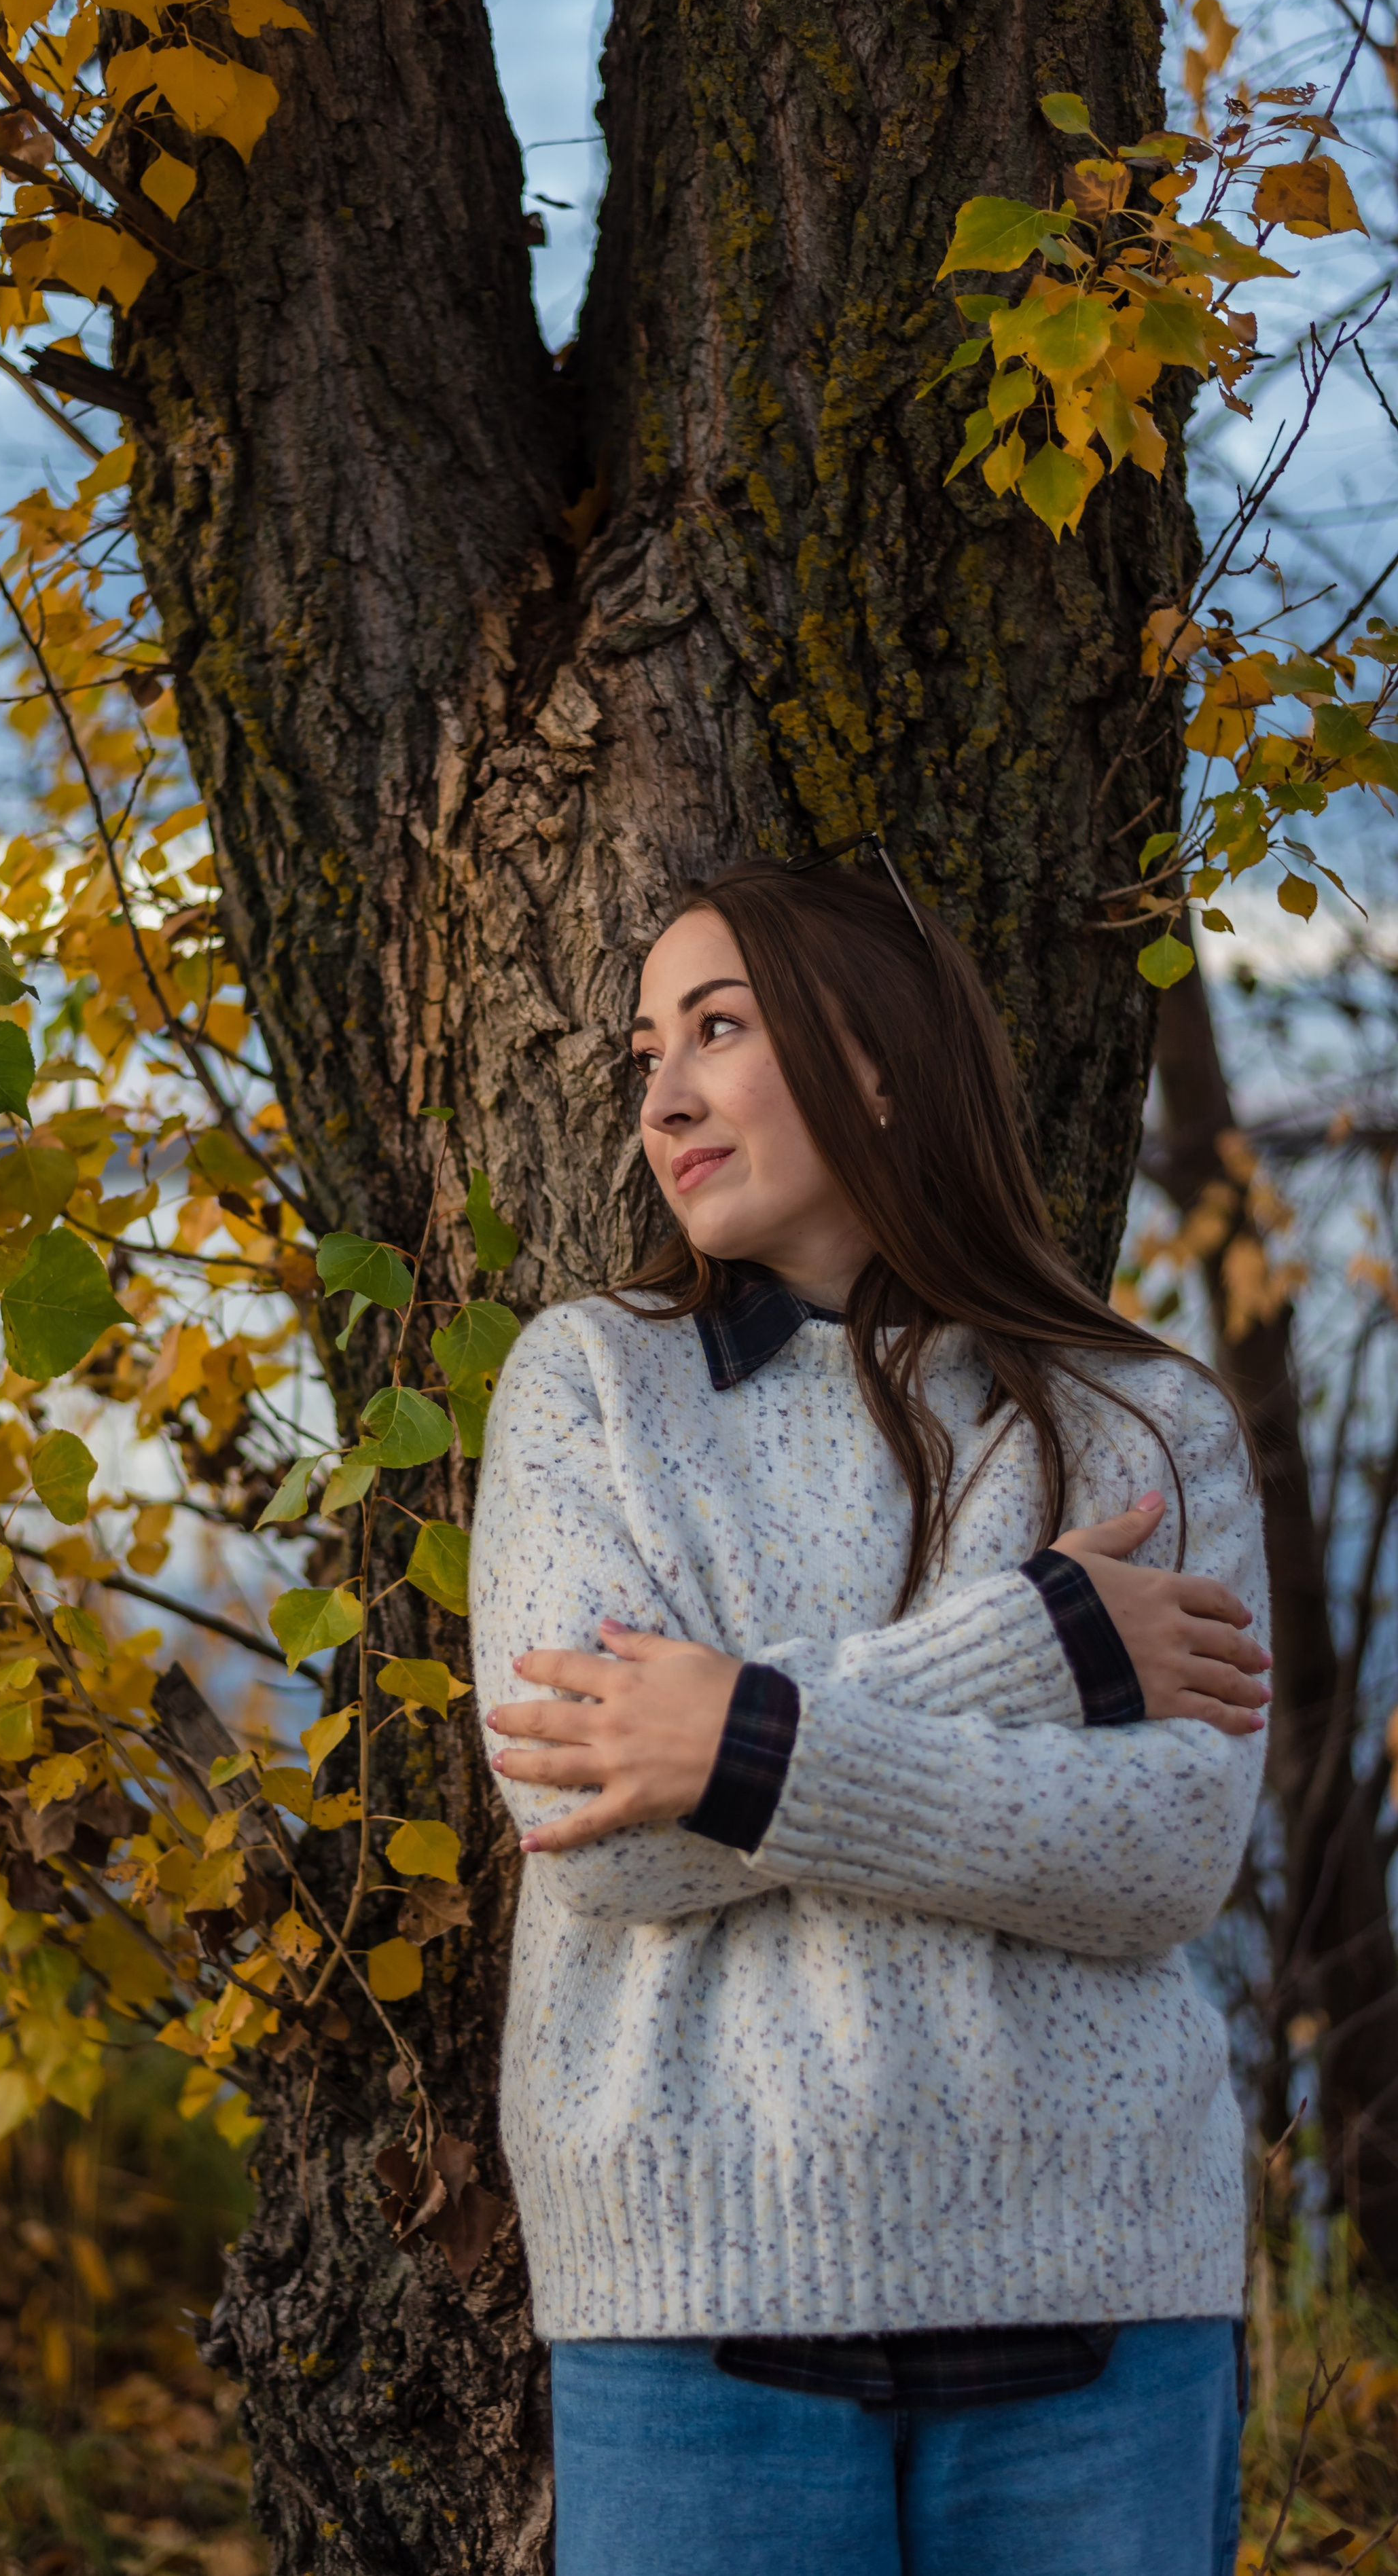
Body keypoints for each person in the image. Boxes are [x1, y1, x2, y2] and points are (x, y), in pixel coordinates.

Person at [469, 856, 1270, 2576]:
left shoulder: (1141, 1424)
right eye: (644, 1053)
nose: (660, 1098)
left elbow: (1158, 1857)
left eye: (716, 1028)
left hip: (1104, 2309)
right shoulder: (589, 1385)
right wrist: (1038, 1642)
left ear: (882, 1058)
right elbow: (599, 1844)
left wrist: (729, 1743)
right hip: (694, 2310)